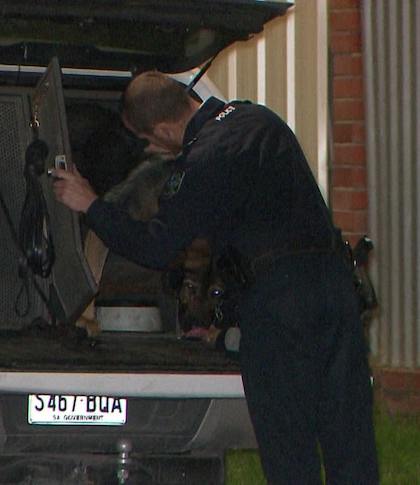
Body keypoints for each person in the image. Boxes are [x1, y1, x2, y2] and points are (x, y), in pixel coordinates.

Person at [52, 71, 379, 484]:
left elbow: (156, 248)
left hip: (280, 308)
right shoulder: (259, 119)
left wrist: (91, 204)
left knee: (289, 451)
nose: (152, 151)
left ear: (165, 129)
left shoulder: (203, 160)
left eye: (149, 142)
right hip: (335, 290)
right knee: (350, 442)